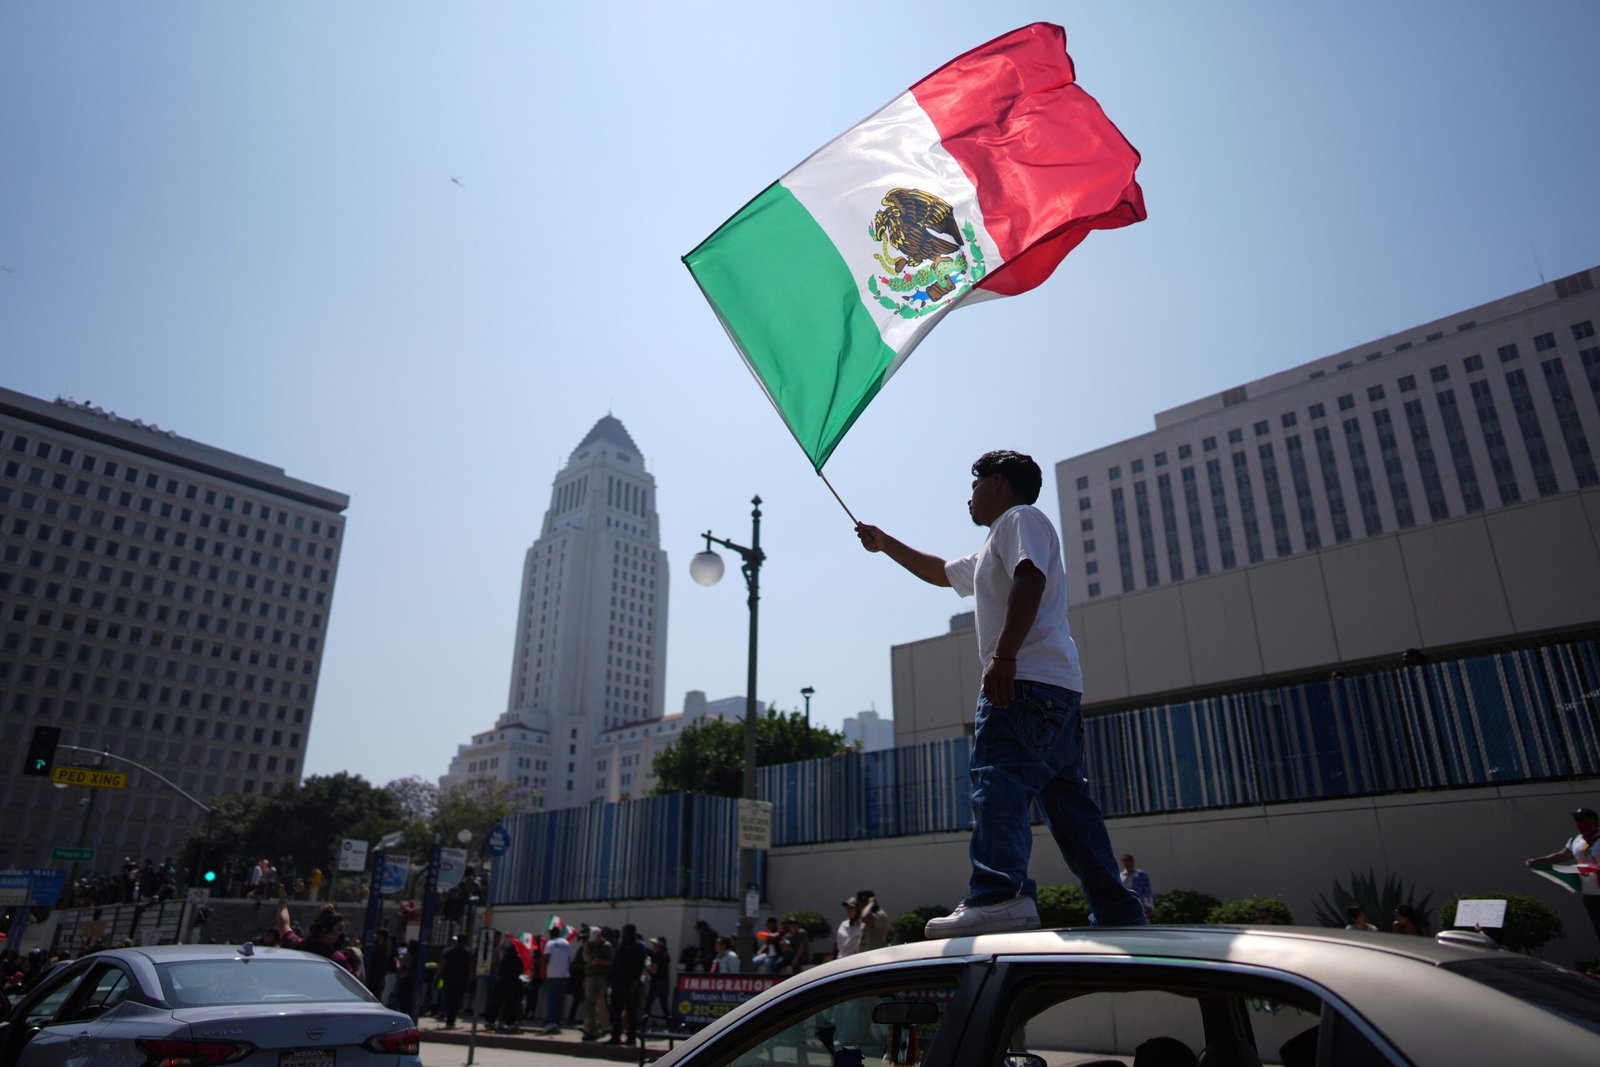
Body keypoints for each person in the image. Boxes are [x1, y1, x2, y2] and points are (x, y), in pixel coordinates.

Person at [856, 450, 1147, 937]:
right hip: (1056, 691)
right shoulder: (998, 541)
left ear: (997, 484)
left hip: (1023, 683)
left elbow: (1030, 577)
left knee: (997, 784)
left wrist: (1005, 657)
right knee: (1070, 810)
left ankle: (999, 895)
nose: (968, 497)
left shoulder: (1020, 518)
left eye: (974, 485)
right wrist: (886, 544)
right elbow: (939, 572)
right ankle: (1118, 910)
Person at [1526, 806, 1600, 945]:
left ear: (1594, 821)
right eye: (1577, 820)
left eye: (1583, 820)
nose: (1580, 823)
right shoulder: (1576, 840)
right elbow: (1562, 856)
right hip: (1591, 892)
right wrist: (1538, 861)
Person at [607, 923, 645, 1045]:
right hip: (618, 982)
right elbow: (615, 963)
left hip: (631, 983)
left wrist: (635, 982)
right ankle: (615, 1036)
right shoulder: (620, 945)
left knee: (631, 1011)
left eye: (626, 933)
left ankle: (631, 1037)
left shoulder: (638, 946)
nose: (624, 935)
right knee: (615, 1011)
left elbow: (639, 966)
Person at [580, 926, 613, 1042]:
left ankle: (595, 1029)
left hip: (600, 977)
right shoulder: (591, 945)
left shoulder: (606, 946)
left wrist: (599, 961)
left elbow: (611, 961)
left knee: (596, 1003)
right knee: (591, 1004)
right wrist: (586, 946)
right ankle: (590, 1027)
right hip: (591, 975)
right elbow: (586, 958)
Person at [485, 939, 525, 1032]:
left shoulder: (505, 958)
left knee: (496, 1002)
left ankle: (491, 1021)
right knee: (511, 1004)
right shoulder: (518, 959)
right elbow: (521, 971)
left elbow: (500, 964)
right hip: (513, 983)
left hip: (502, 982)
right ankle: (509, 1023)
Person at [540, 926, 571, 1033]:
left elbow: (546, 958)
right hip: (564, 975)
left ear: (551, 934)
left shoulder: (550, 943)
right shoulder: (566, 943)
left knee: (552, 999)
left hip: (553, 974)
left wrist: (544, 969)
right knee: (560, 1000)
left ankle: (551, 1022)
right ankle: (558, 1021)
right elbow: (568, 958)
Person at [439, 934, 473, 1029]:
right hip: (461, 979)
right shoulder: (467, 953)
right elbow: (470, 967)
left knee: (449, 999)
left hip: (449, 978)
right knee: (456, 1001)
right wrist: (470, 978)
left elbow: (443, 965)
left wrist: (438, 976)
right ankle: (451, 1020)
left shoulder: (449, 951)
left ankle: (448, 1018)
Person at [641, 936, 672, 1024]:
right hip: (665, 982)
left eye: (655, 944)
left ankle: (643, 1026)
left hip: (656, 982)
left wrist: (646, 966)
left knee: (648, 1005)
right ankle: (670, 1025)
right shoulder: (666, 956)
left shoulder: (656, 956)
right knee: (664, 1006)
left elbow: (653, 971)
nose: (653, 946)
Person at [1119, 854, 1155, 920]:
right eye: (1124, 860)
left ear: (1132, 861)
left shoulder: (1141, 875)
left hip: (1139, 905)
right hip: (1125, 907)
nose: (1126, 862)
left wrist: (1149, 907)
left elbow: (1147, 891)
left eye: (1128, 860)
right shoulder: (1121, 876)